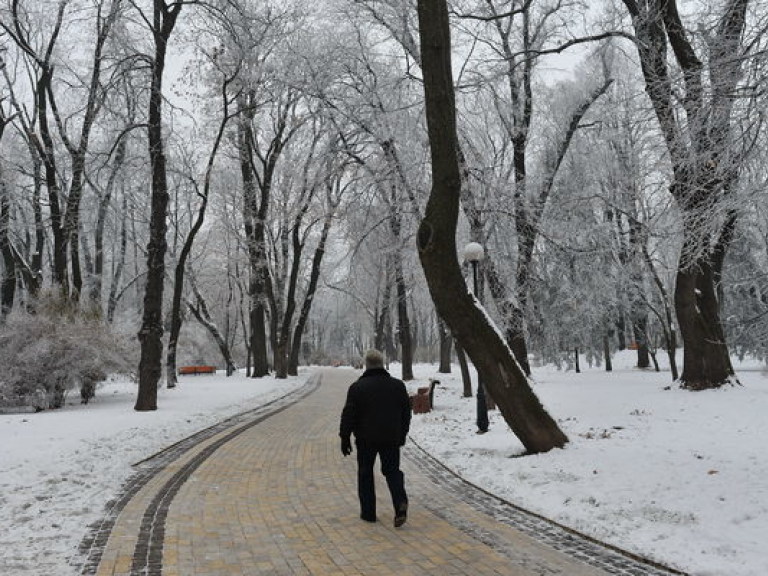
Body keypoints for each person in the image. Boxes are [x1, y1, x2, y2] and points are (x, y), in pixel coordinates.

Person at [339, 349, 412, 527]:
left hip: (366, 440)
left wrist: (345, 437)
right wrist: (401, 435)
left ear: (367, 365)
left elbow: (349, 415)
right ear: (382, 364)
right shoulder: (398, 386)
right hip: (391, 438)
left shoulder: (357, 387)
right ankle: (400, 502)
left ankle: (368, 513)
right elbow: (406, 413)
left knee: (365, 473)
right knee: (392, 471)